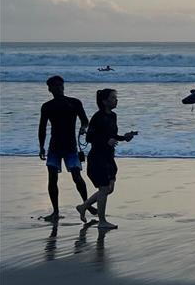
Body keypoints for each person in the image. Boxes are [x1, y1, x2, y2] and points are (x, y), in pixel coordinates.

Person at [76, 89, 137, 230]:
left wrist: (124, 137)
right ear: (104, 101)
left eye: (116, 98)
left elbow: (112, 136)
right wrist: (106, 141)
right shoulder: (98, 117)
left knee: (109, 188)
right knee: (103, 188)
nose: (116, 100)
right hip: (97, 157)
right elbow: (89, 138)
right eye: (113, 98)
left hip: (109, 156)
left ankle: (83, 206)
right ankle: (102, 221)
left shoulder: (113, 116)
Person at [38, 75, 93, 221]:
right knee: (52, 179)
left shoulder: (74, 103)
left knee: (77, 177)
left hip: (71, 146)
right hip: (54, 147)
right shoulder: (47, 106)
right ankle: (55, 211)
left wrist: (83, 128)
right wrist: (41, 147)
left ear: (63, 86)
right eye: (55, 86)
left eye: (60, 86)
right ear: (49, 89)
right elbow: (42, 128)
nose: (59, 88)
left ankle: (86, 204)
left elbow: (85, 121)